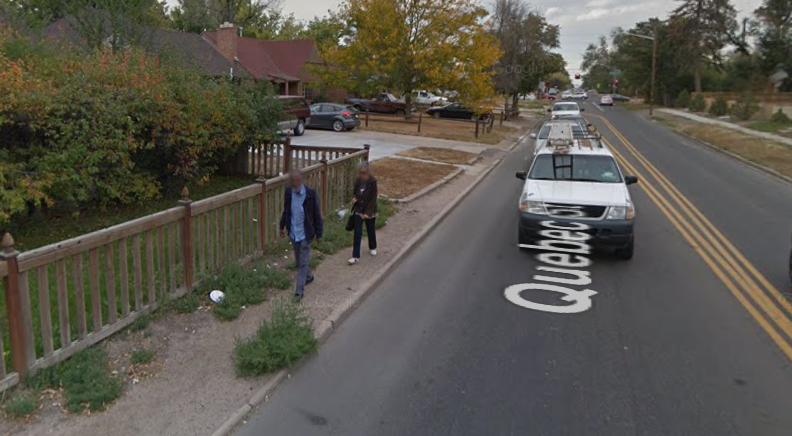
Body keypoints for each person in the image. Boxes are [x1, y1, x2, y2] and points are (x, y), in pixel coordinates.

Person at [280, 169, 323, 301]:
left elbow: (317, 214)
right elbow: (286, 211)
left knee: (303, 262)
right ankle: (308, 276)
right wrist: (282, 226)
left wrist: (319, 233)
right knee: (299, 260)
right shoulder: (288, 192)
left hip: (306, 233)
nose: (295, 183)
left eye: (298, 181)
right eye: (293, 181)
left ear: (301, 180)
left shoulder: (310, 194)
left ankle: (299, 291)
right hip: (294, 233)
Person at [348, 162, 378, 265]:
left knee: (370, 230)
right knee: (357, 233)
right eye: (360, 173)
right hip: (358, 209)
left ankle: (373, 246)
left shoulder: (373, 182)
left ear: (368, 172)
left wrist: (368, 213)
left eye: (364, 173)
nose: (362, 175)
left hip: (369, 210)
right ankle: (355, 256)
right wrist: (355, 198)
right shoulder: (358, 181)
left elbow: (373, 199)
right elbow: (355, 192)